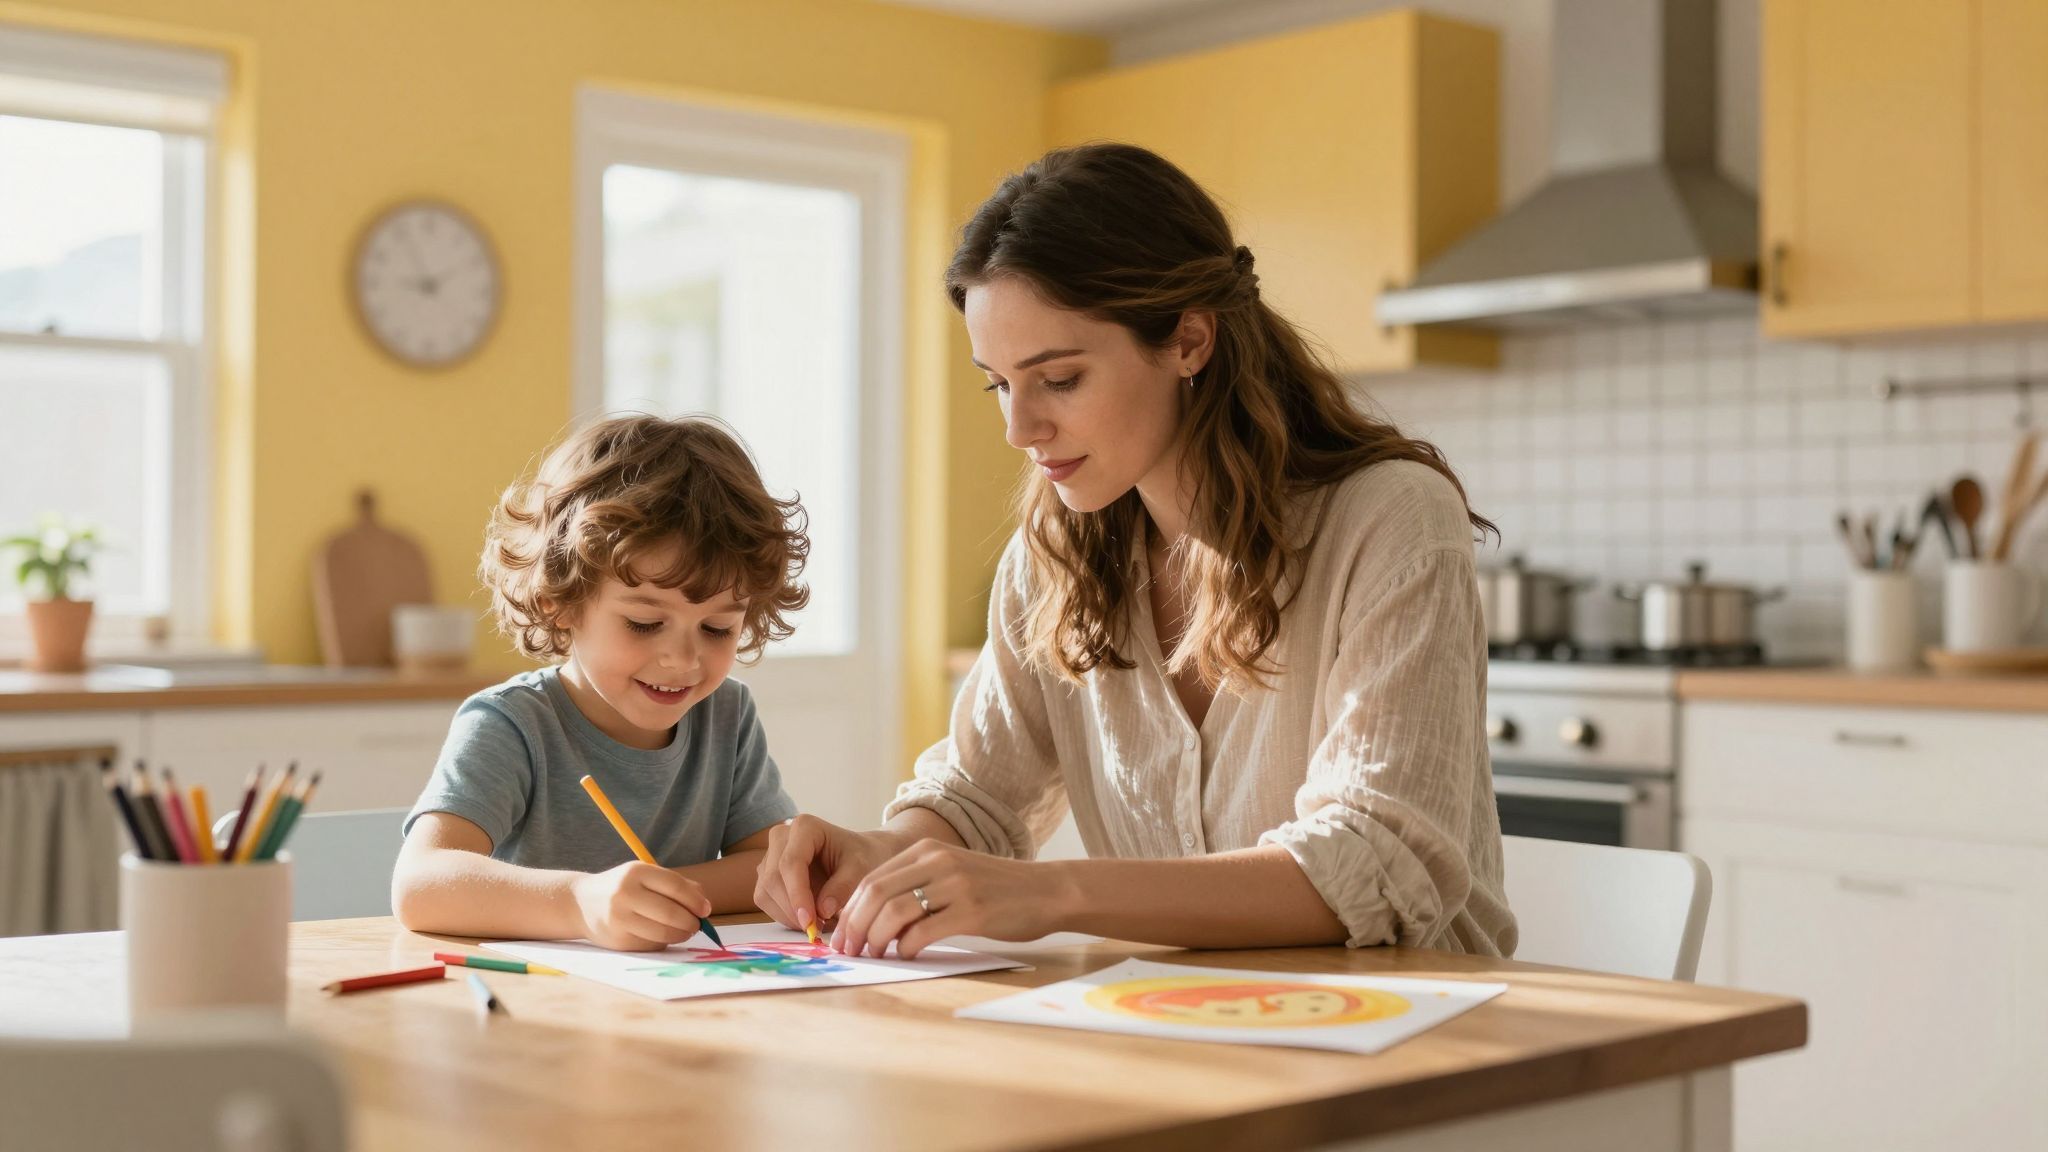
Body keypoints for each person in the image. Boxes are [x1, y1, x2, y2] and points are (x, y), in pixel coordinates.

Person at [754, 142, 1515, 960]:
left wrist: (1054, 893)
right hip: (1178, 1032)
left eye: (1060, 378)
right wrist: (883, 852)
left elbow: (1378, 862)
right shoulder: (1052, 558)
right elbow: (977, 795)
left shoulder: (1390, 520)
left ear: (1189, 341)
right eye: (999, 383)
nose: (1019, 428)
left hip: (1423, 1040)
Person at [394, 414, 809, 951]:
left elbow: (769, 869)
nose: (683, 660)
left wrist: (661, 898)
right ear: (559, 603)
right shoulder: (512, 724)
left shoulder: (725, 715)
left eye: (717, 628)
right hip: (537, 1007)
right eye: (644, 622)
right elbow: (420, 884)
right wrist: (581, 903)